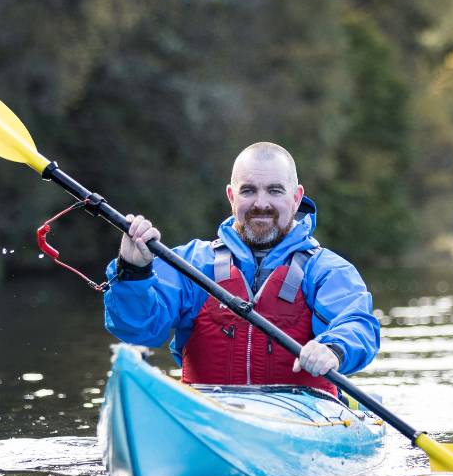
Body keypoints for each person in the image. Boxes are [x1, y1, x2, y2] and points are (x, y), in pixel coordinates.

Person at [103, 142, 380, 395]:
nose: (261, 203)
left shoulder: (327, 270)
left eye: (274, 190)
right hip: (207, 411)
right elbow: (137, 330)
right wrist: (133, 272)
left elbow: (357, 324)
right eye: (248, 190)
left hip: (304, 414)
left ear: (296, 198)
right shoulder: (191, 263)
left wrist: (334, 348)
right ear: (231, 196)